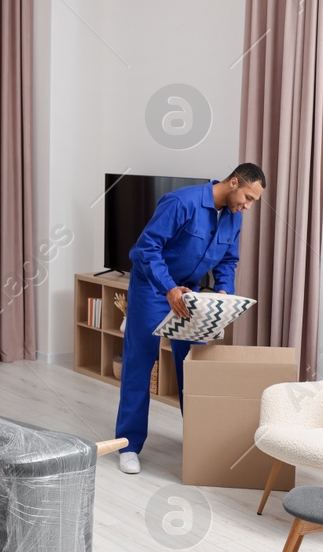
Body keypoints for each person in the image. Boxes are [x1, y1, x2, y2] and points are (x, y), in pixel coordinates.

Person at [114, 164, 266, 475]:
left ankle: (198, 440)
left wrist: (224, 291)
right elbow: (145, 249)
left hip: (192, 295)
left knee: (194, 368)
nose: (247, 206)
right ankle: (128, 445)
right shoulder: (181, 202)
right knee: (139, 365)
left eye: (253, 202)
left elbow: (228, 260)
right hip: (154, 289)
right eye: (247, 197)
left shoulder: (234, 217)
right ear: (234, 182)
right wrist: (169, 288)